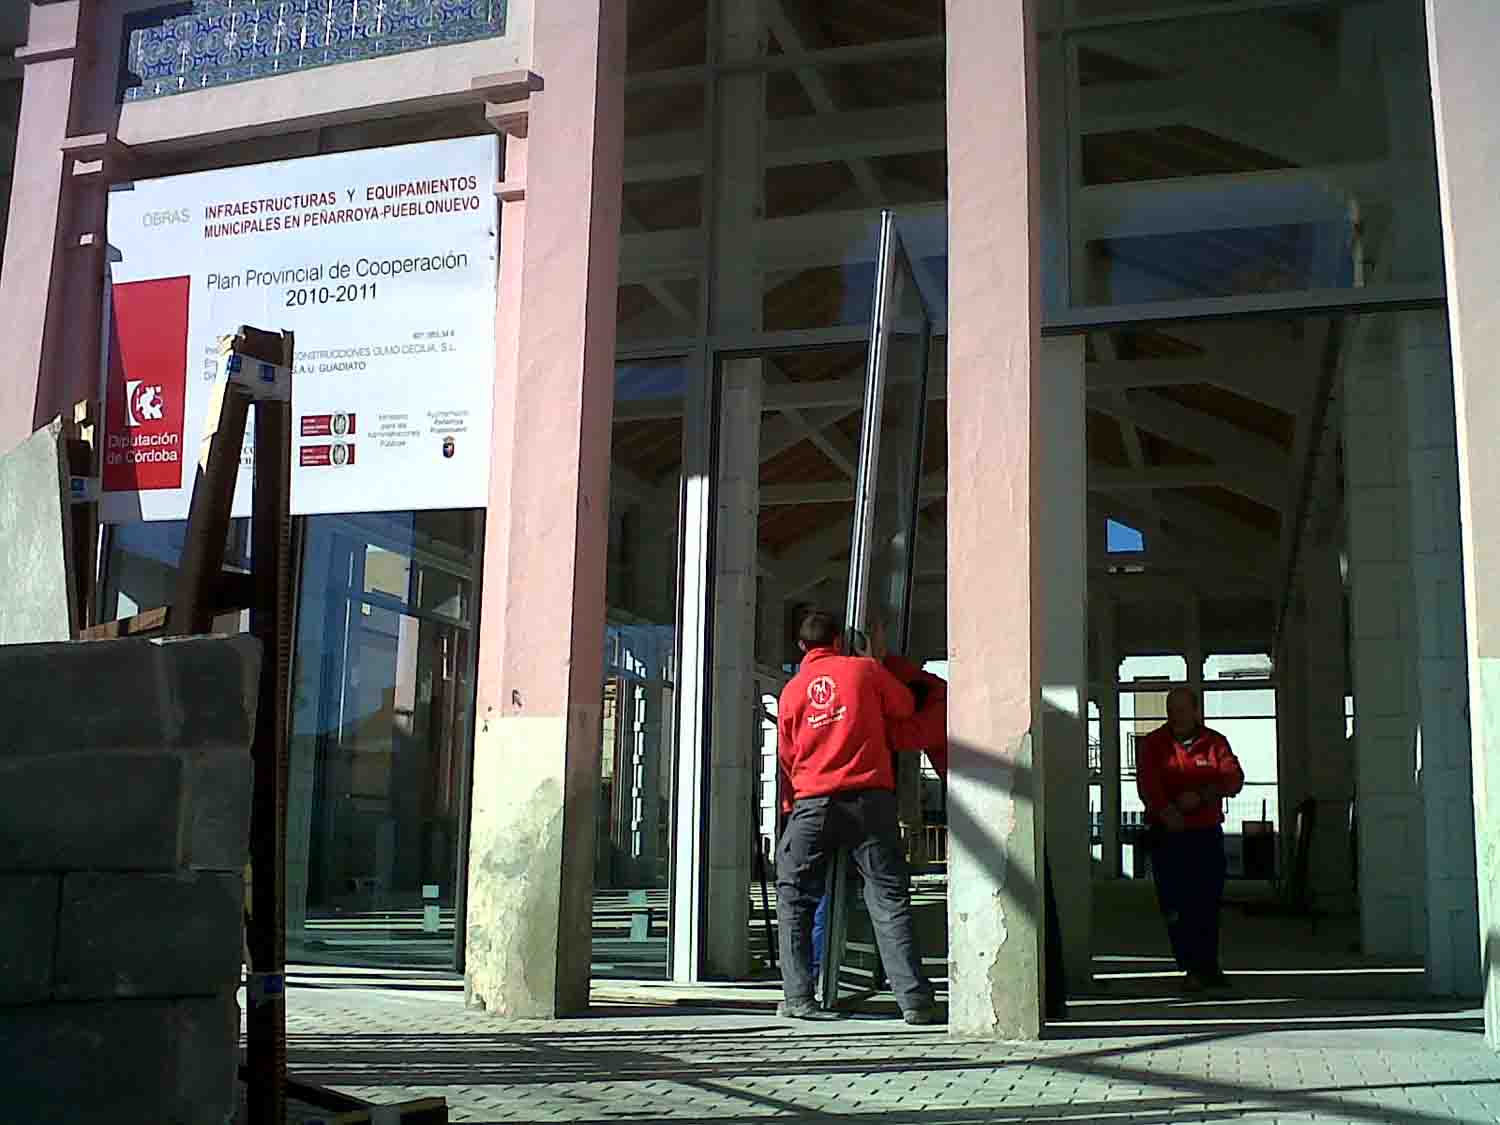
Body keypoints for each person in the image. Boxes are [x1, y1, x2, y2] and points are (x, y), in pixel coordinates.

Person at [776, 609, 938, 1024]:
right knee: (888, 896)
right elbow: (904, 707)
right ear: (840, 641)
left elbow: (787, 757)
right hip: (870, 800)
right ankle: (914, 1001)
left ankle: (799, 997)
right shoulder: (865, 672)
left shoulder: (792, 692)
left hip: (814, 804)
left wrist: (792, 810)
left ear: (802, 648)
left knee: (795, 898)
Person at [1136, 686, 1246, 992]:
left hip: (1204, 835)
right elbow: (1147, 782)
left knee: (1206, 902)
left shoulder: (1215, 743)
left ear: (1196, 711)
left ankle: (1206, 966)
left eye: (1183, 710)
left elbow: (1234, 778)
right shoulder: (1154, 744)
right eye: (1172, 710)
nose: (1177, 716)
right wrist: (1166, 810)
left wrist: (1202, 795)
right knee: (1175, 904)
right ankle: (1189, 965)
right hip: (1167, 835)